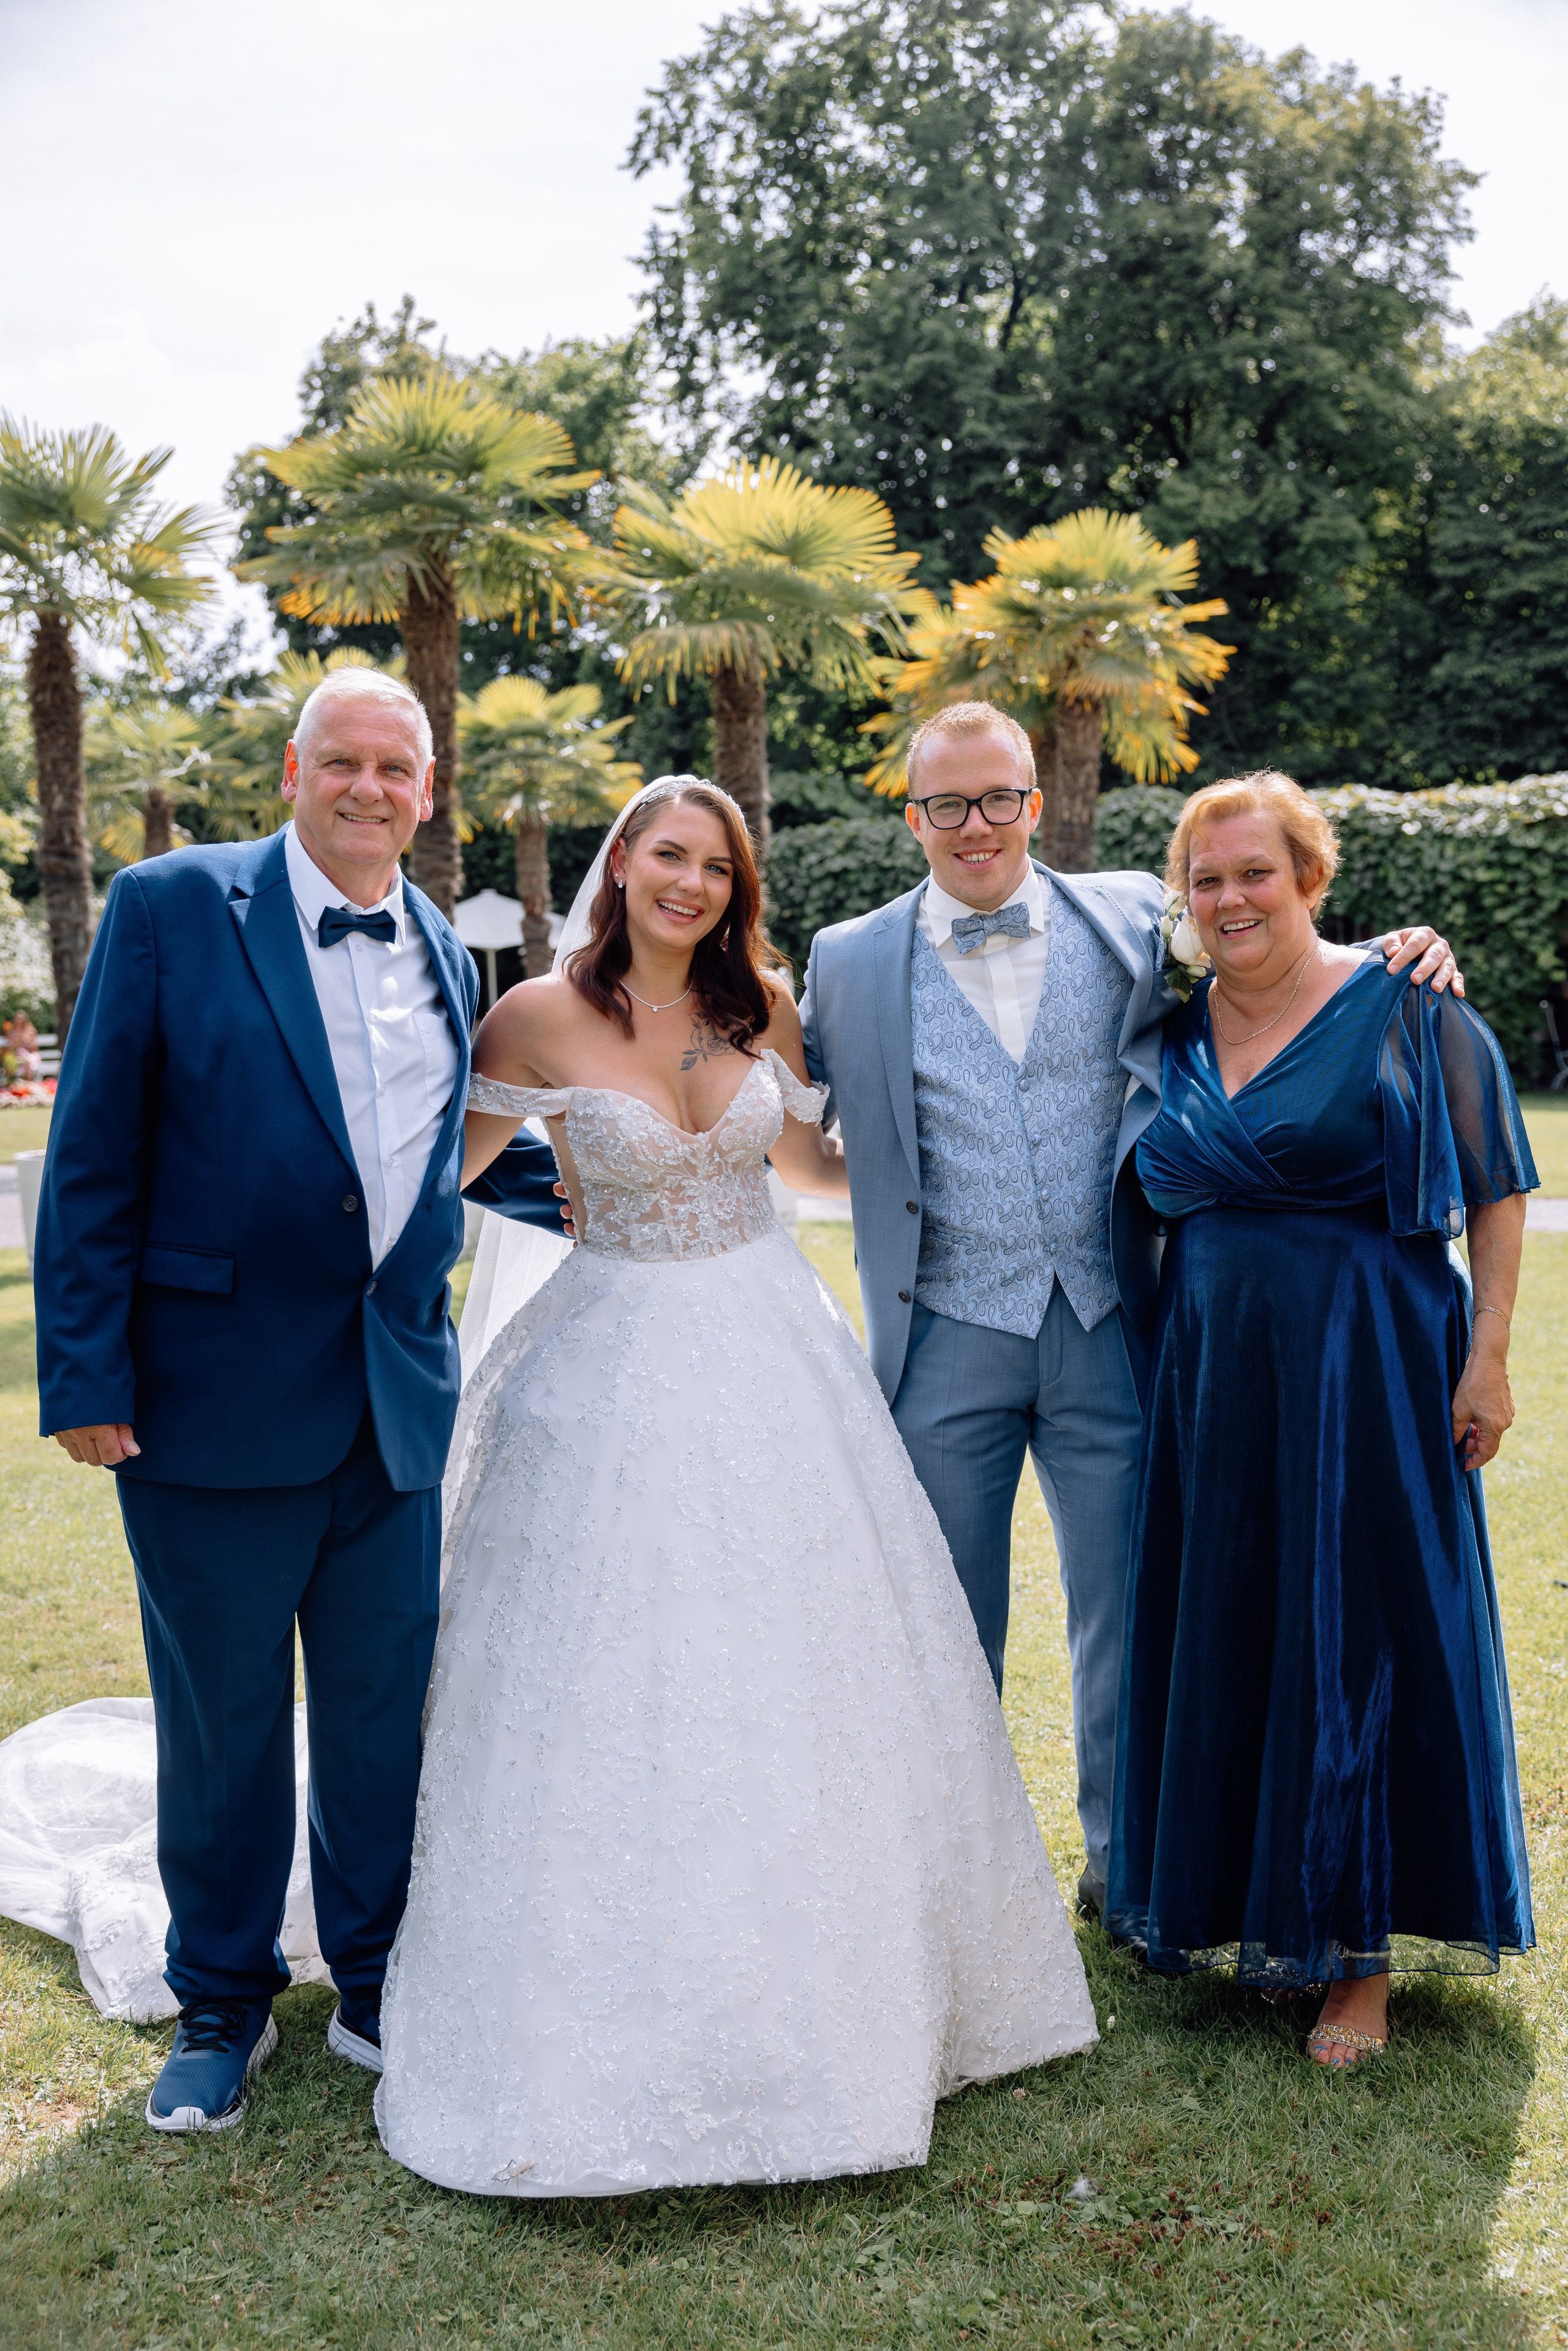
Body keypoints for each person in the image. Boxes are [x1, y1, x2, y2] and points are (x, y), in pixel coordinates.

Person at [374, 776, 1099, 2198]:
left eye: (713, 863)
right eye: (666, 854)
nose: (688, 881)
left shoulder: (760, 1001)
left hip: (777, 1357)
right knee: (613, 1679)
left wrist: (954, 1157)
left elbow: (818, 1162)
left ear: (735, 883)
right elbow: (430, 1188)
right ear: (621, 864)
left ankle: (847, 1978)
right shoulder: (530, 1018)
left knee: (802, 1670)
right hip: (607, 1367)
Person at [798, 701, 1460, 1917]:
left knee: (1129, 1610)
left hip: (1114, 1317)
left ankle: (1124, 1860)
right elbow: (789, 1118)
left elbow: (1267, 945)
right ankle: (961, 1883)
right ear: (911, 817)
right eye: (945, 802)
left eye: (997, 795)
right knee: (945, 1622)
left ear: (1034, 801)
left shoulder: (1128, 916)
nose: (975, 822)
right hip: (944, 1324)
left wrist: (1394, 950)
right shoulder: (841, 958)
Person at [28, 668, 570, 2131]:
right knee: (224, 1722)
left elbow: (435, 1154)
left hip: (392, 1403)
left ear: (429, 789)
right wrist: (83, 1371)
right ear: (291, 769)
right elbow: (92, 1156)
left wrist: (625, 1190)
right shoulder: (167, 907)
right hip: (205, 1402)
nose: (370, 789)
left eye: (397, 768)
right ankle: (220, 2003)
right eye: (343, 762)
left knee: (383, 1713)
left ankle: (381, 1975)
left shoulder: (453, 954)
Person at [1106, 771, 1536, 2066]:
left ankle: (1354, 1962)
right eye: (1206, 877)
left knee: (1355, 1624)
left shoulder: (1409, 1008)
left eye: (1254, 871)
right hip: (1215, 1381)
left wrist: (1488, 1355)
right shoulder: (1168, 1035)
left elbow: (1495, 1180)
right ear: (1183, 898)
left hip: (1368, 1363)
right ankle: (1247, 1907)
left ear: (1308, 877)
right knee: (1233, 1616)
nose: (1230, 896)